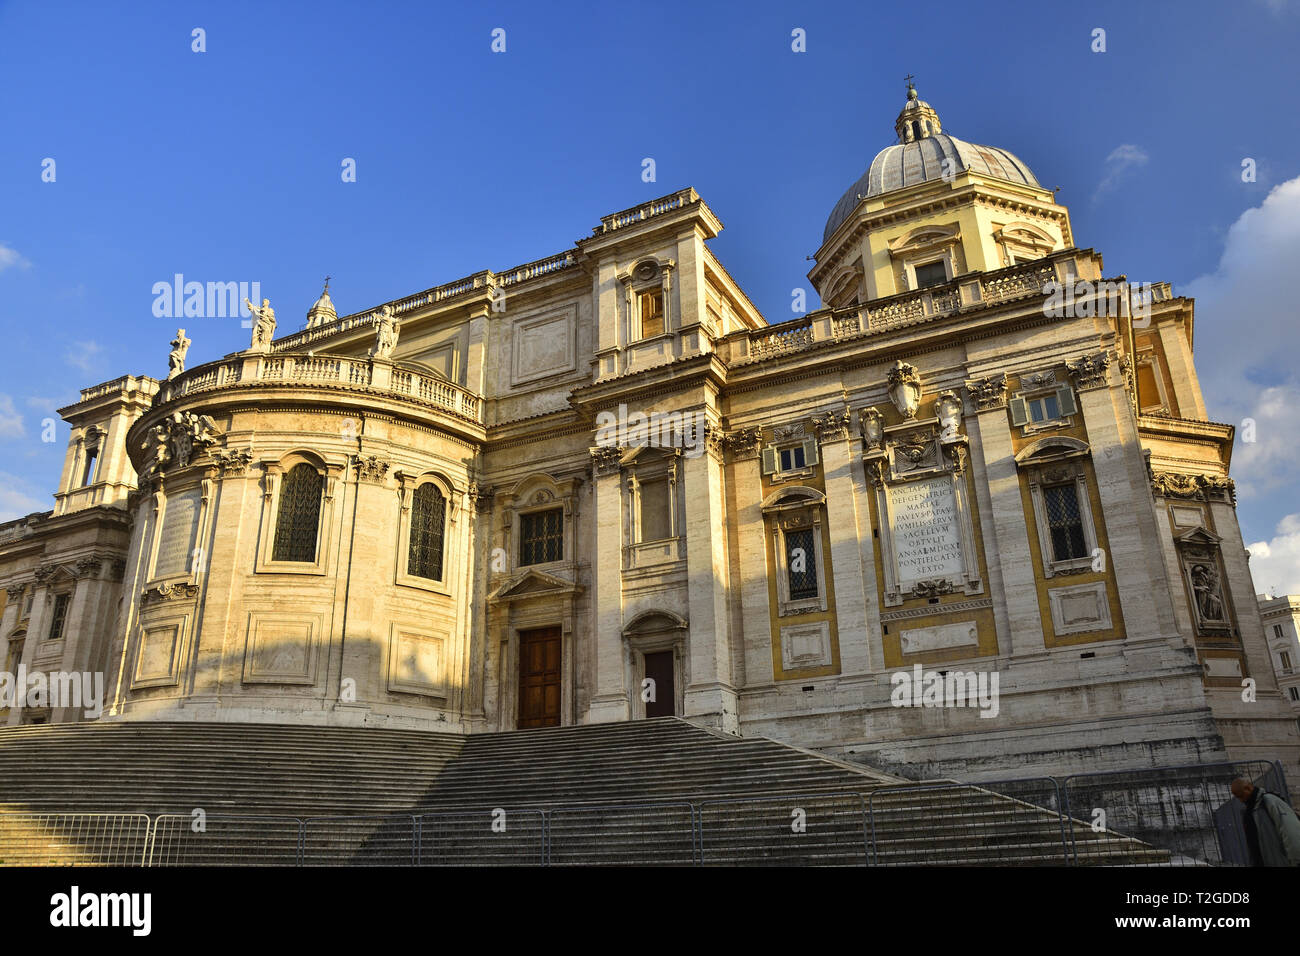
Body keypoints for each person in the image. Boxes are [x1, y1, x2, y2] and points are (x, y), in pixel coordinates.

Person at [1231, 777, 1300, 866]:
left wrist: (1296, 859)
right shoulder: (1249, 810)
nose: (1241, 800)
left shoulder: (1268, 801)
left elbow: (1290, 830)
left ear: (1248, 788)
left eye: (1241, 796)